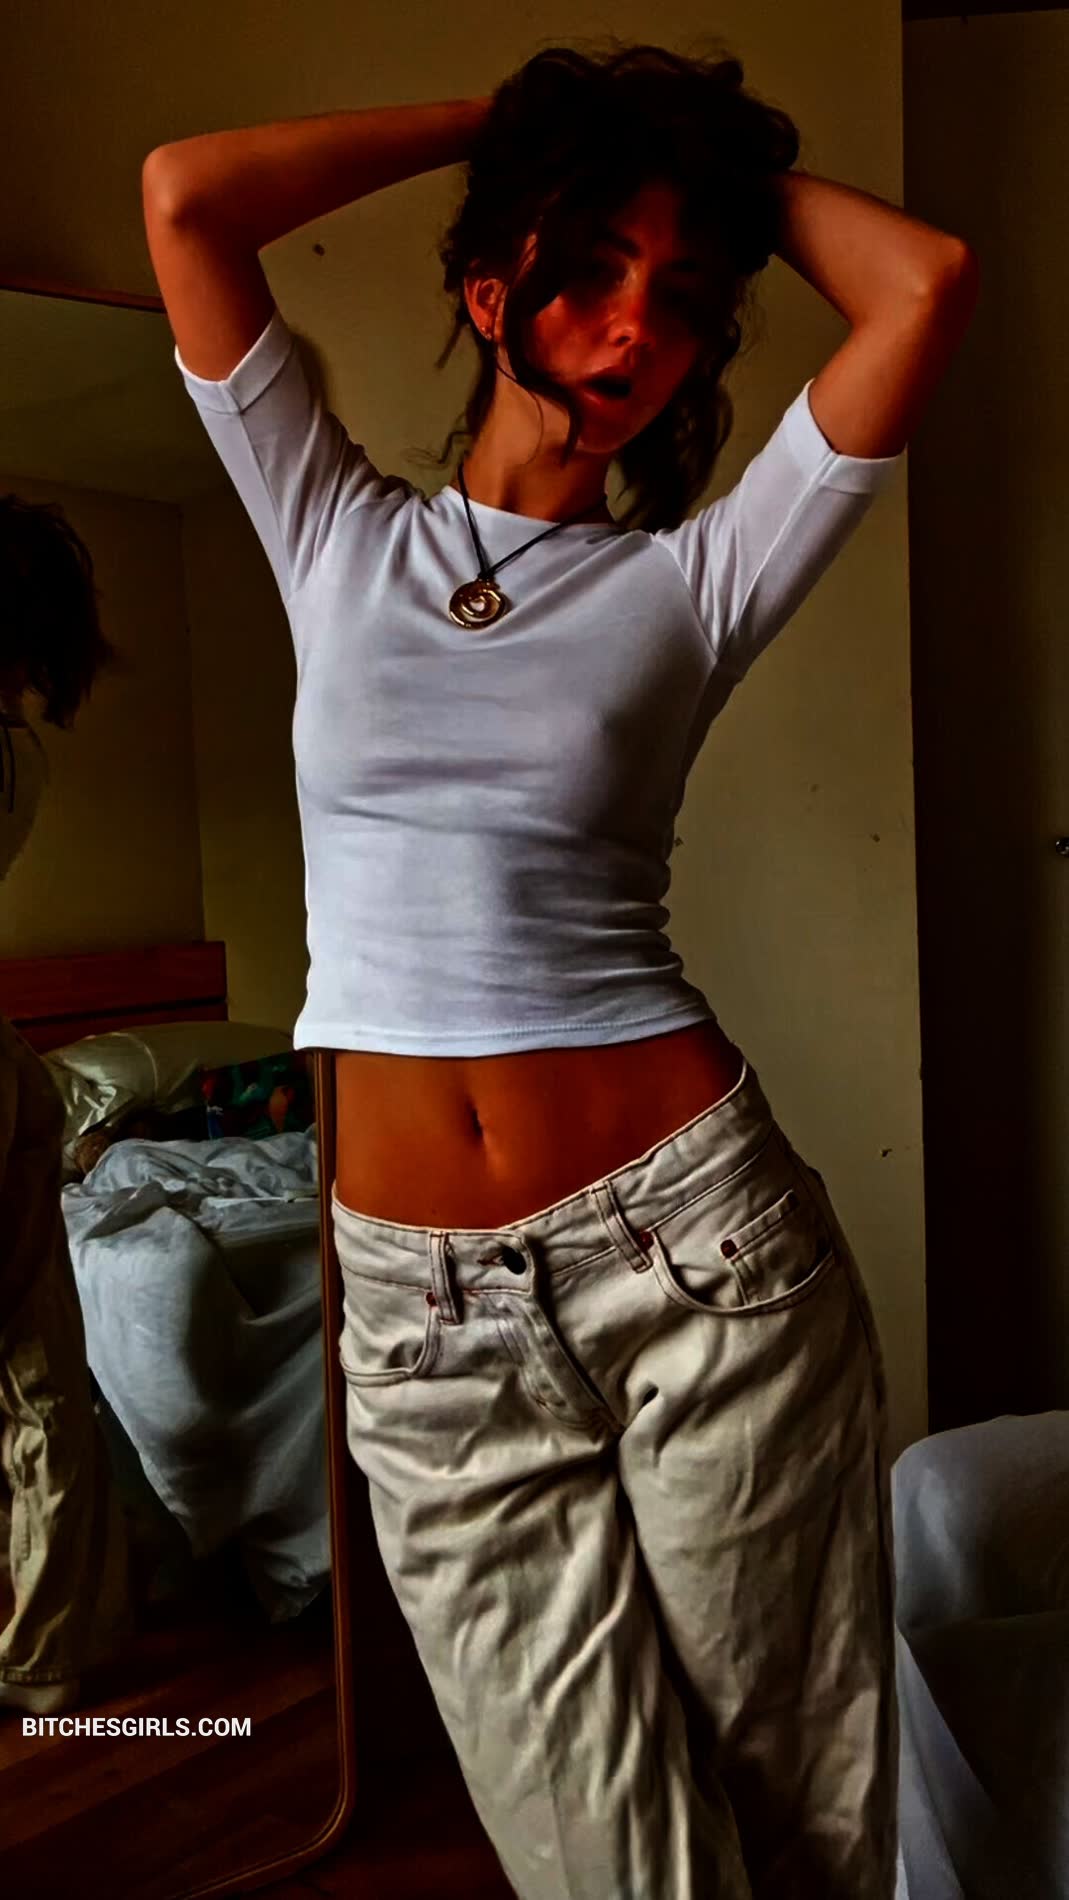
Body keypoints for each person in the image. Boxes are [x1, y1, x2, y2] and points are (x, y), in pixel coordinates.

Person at [144, 39, 978, 1897]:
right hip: (417, 1317)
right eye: (590, 268)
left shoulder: (693, 581)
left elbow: (921, 283)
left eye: (678, 299)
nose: (631, 330)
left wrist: (691, 169)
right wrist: (526, 130)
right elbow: (186, 198)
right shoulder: (332, 532)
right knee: (602, 1862)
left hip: (699, 1261)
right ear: (488, 287)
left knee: (803, 1826)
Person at [0, 494, 130, 1714]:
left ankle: (50, 1641)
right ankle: (52, 1643)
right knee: (37, 1364)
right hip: (9, 1064)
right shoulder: (17, 753)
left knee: (33, 1368)